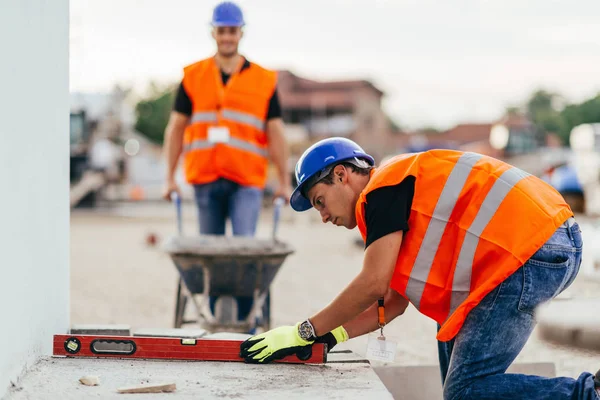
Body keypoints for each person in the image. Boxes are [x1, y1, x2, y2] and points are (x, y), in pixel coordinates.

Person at [240, 137, 600, 399]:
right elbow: (392, 302)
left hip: (529, 250)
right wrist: (330, 336)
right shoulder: (395, 201)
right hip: (535, 246)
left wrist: (305, 330)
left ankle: (590, 394)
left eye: (320, 201)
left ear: (341, 175)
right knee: (459, 391)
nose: (322, 216)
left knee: (467, 391)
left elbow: (372, 283)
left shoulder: (383, 188)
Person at [162, 1, 290, 322]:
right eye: (222, 31)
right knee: (211, 255)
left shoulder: (263, 80)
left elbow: (276, 133)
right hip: (205, 179)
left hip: (246, 180)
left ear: (241, 33)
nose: (227, 37)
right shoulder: (193, 77)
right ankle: (217, 320)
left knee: (245, 252)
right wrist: (169, 177)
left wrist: (285, 182)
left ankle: (246, 322)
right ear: (213, 33)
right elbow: (176, 129)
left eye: (232, 31)